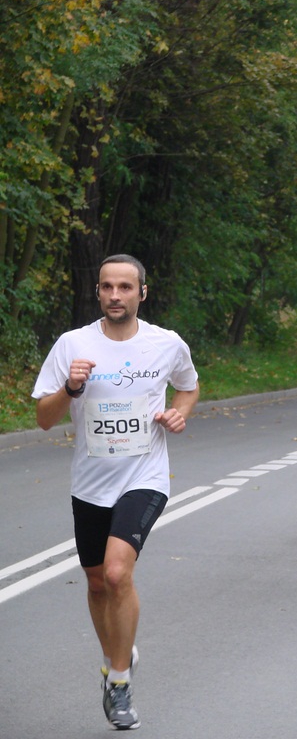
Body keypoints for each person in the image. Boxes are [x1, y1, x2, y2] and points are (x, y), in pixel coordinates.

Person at [32, 254, 200, 731]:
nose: (115, 295)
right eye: (107, 286)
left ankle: (120, 683)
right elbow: (43, 419)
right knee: (95, 582)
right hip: (90, 483)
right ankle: (115, 656)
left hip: (144, 477)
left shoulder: (166, 343)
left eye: (125, 287)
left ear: (142, 293)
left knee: (116, 572)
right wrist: (71, 388)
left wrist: (179, 412)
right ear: (98, 292)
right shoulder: (73, 344)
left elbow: (188, 387)